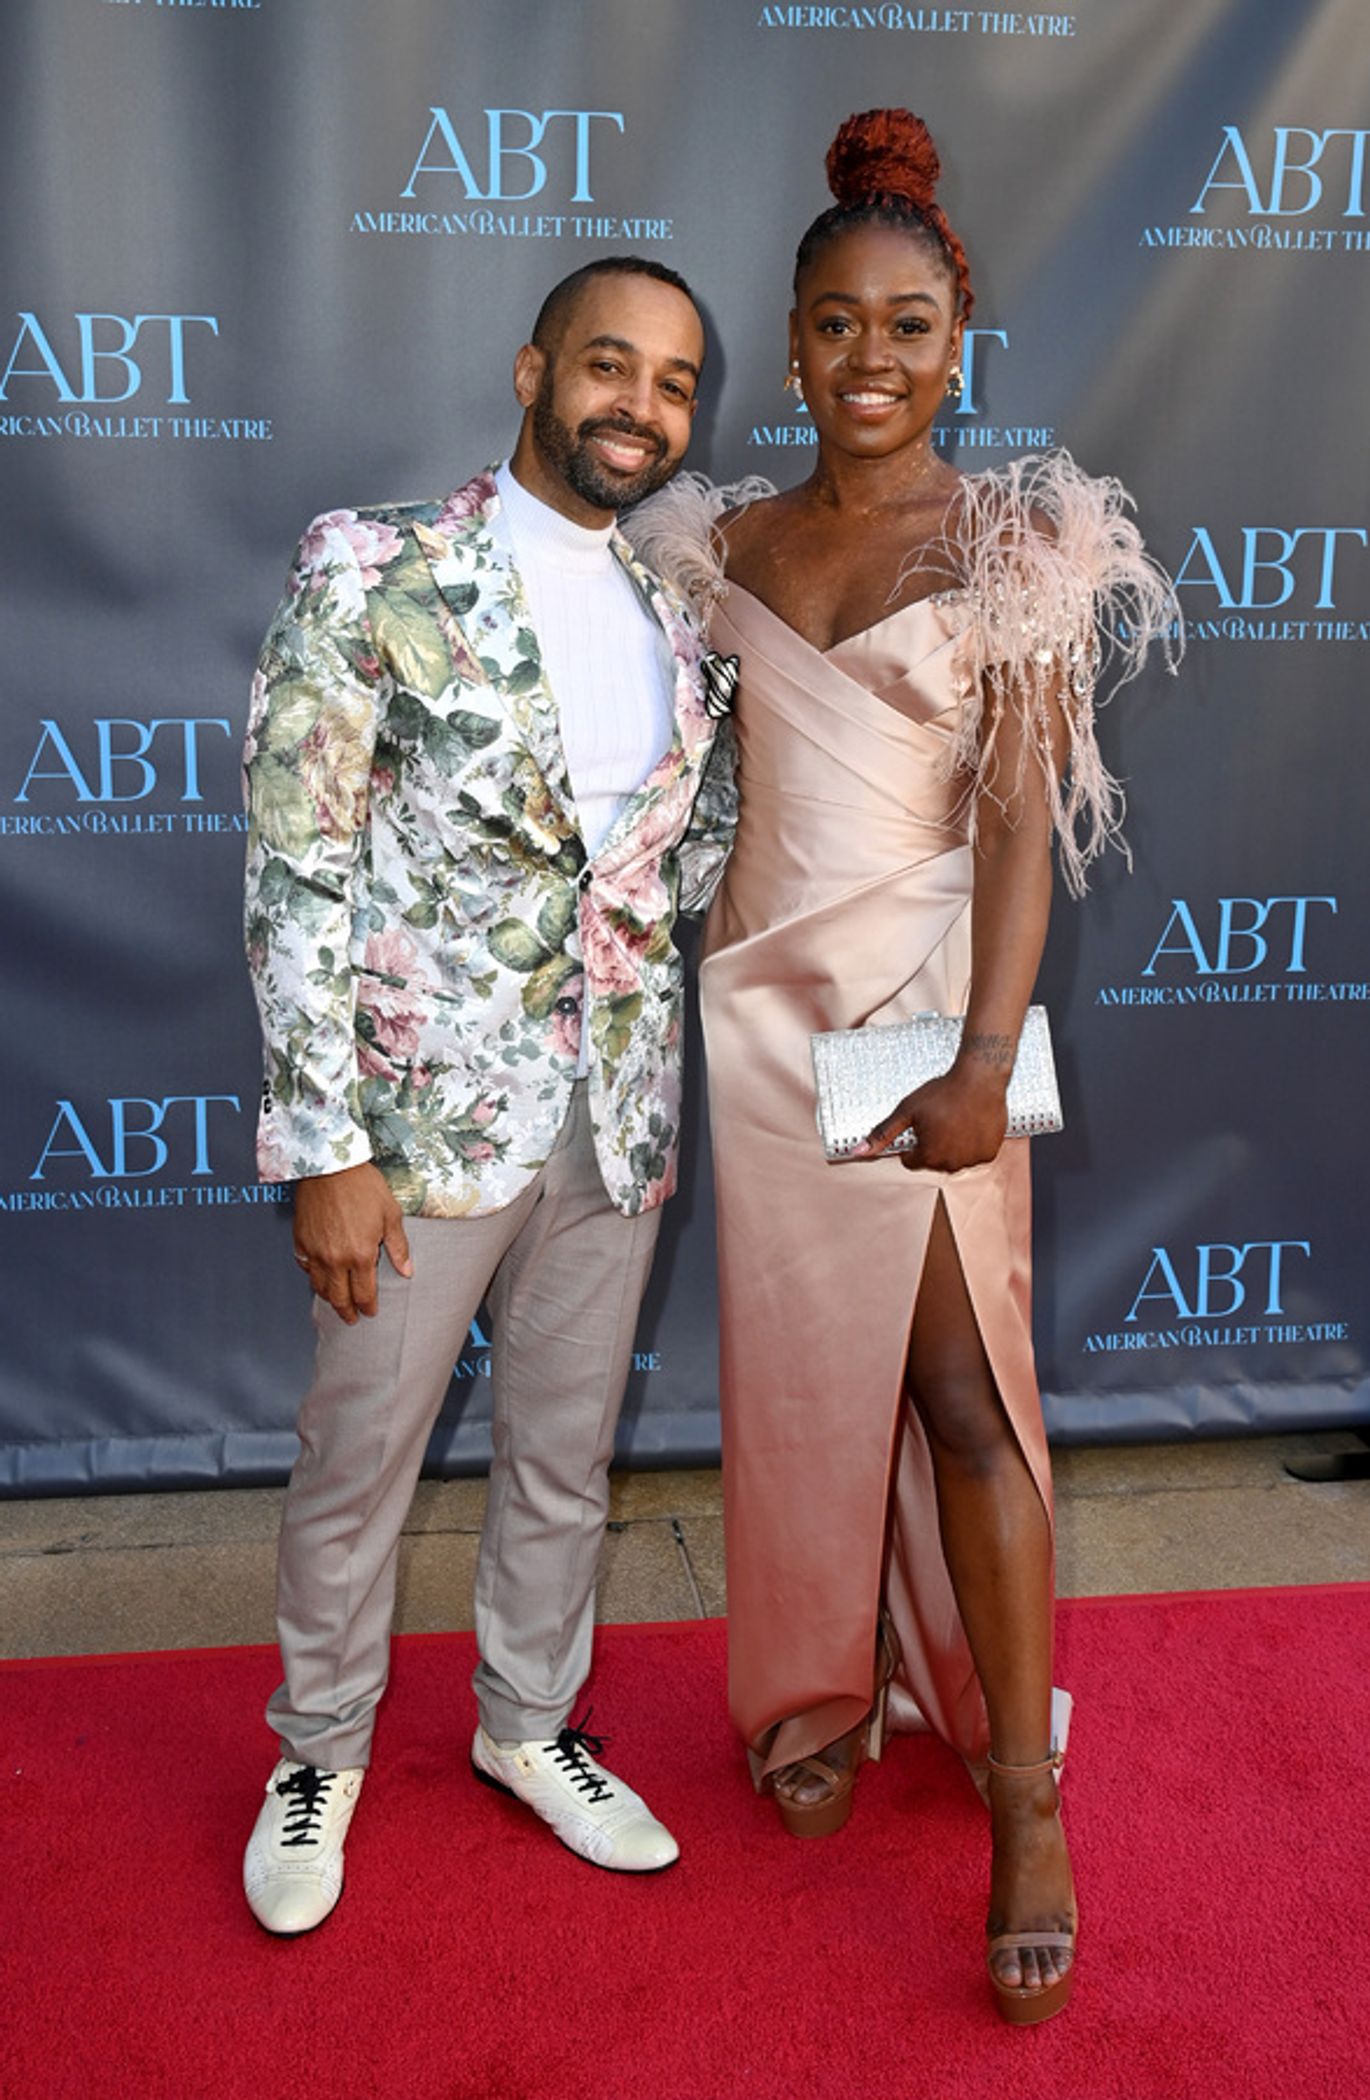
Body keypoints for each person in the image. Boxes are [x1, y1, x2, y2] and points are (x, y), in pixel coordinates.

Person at [631, 111, 1177, 2024]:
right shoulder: (725, 549)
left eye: (912, 327)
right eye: (839, 327)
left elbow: (1018, 825)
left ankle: (1025, 1797)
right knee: (800, 1380)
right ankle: (813, 1680)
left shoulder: (1015, 538)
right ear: (791, 345)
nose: (875, 361)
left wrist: (982, 1048)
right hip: (767, 1015)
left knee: (956, 1388)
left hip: (925, 1021)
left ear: (962, 341)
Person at [240, 255, 730, 1935]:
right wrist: (324, 1143)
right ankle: (317, 1751)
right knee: (358, 1456)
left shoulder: (682, 614)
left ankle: (529, 1725)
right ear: (531, 373)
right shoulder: (376, 564)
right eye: (610, 366)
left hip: (614, 1117)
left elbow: (683, 861)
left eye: (673, 383)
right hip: (414, 1128)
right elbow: (295, 862)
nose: (639, 408)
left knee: (562, 1457)